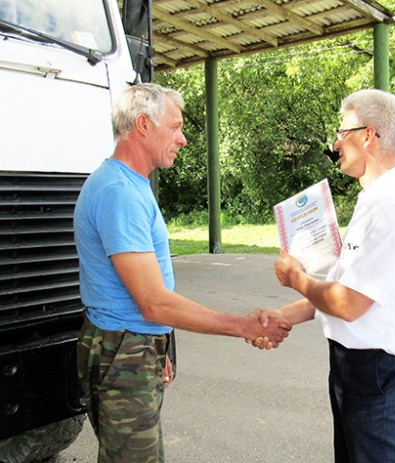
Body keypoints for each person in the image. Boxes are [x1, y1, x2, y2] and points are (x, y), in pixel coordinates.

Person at [73, 83, 291, 463]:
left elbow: (145, 300)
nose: (184, 138)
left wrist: (160, 346)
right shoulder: (119, 193)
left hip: (133, 346)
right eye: (174, 127)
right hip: (124, 350)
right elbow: (154, 302)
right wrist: (246, 326)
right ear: (142, 125)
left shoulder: (131, 185)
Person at [252, 89, 395, 463]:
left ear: (368, 135)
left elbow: (350, 303)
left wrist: (296, 277)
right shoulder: (376, 200)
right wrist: (287, 314)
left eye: (342, 132)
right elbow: (344, 286)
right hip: (356, 363)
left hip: (375, 368)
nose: (336, 144)